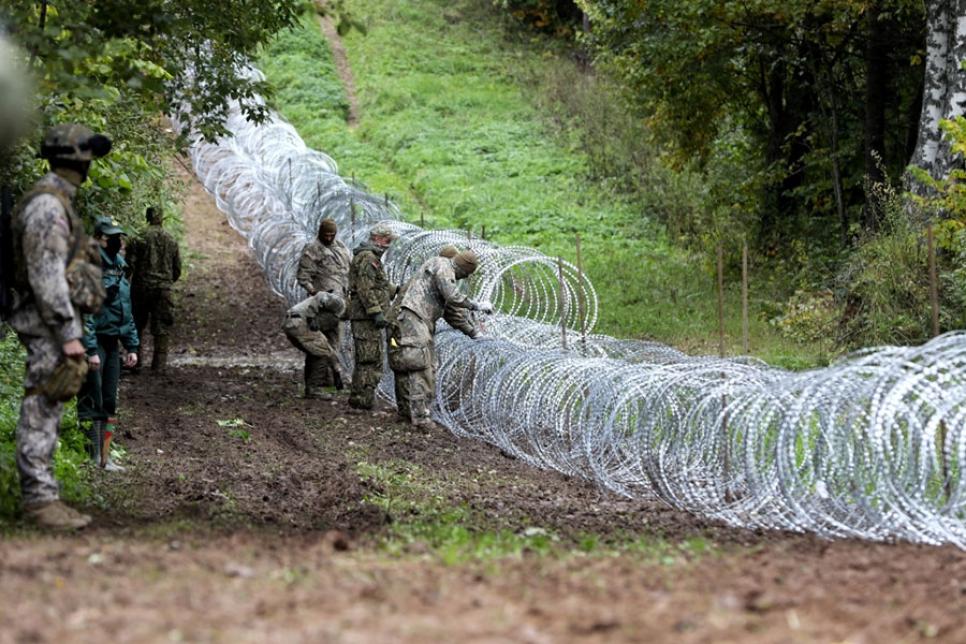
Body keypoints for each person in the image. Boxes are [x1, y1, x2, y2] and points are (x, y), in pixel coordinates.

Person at [8, 123, 112, 529]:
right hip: (47, 323)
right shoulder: (49, 207)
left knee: (48, 402)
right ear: (79, 161)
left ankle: (44, 494)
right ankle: (38, 499)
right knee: (41, 402)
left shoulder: (55, 202)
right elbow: (47, 276)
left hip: (49, 321)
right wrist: (69, 334)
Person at [388, 249, 491, 427]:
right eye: (464, 275)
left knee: (405, 363)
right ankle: (420, 417)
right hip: (414, 320)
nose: (460, 279)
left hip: (402, 320)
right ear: (463, 269)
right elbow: (452, 295)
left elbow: (452, 312)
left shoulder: (434, 273)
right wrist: (475, 305)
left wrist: (474, 333)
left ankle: (406, 413)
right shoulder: (443, 265)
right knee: (421, 366)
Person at [78, 216, 139, 471]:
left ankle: (105, 457)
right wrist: (90, 350)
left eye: (119, 236)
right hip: (95, 344)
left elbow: (125, 308)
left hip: (113, 342)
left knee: (109, 400)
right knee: (91, 399)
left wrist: (132, 345)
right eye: (112, 237)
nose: (117, 241)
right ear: (99, 239)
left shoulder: (119, 266)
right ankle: (91, 456)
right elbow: (85, 313)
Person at [296, 218, 350, 398]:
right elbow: (303, 276)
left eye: (331, 235)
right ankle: (313, 386)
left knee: (334, 343)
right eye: (325, 235)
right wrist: (316, 294)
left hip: (338, 305)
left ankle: (328, 379)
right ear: (320, 232)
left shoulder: (340, 247)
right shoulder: (312, 249)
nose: (328, 238)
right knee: (318, 347)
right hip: (321, 306)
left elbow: (347, 270)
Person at [346, 223, 398, 412]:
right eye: (387, 241)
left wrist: (397, 290)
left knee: (371, 359)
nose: (388, 245)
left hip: (368, 318)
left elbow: (380, 285)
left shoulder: (371, 257)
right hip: (366, 319)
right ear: (377, 238)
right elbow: (365, 288)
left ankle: (363, 399)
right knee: (368, 360)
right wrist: (376, 312)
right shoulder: (368, 258)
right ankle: (361, 400)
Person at [128, 206, 181, 371]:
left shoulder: (139, 237)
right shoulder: (171, 240)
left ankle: (135, 362)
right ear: (162, 218)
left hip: (141, 288)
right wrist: (166, 281)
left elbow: (129, 264)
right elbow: (177, 268)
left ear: (147, 217)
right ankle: (159, 366)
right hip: (163, 289)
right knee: (162, 327)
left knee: (137, 324)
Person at [283, 291, 347, 394]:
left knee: (315, 353)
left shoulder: (336, 322)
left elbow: (331, 348)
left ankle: (311, 387)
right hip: (300, 322)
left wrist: (337, 371)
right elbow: (321, 296)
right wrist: (310, 317)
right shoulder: (339, 304)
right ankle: (314, 388)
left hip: (291, 322)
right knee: (321, 354)